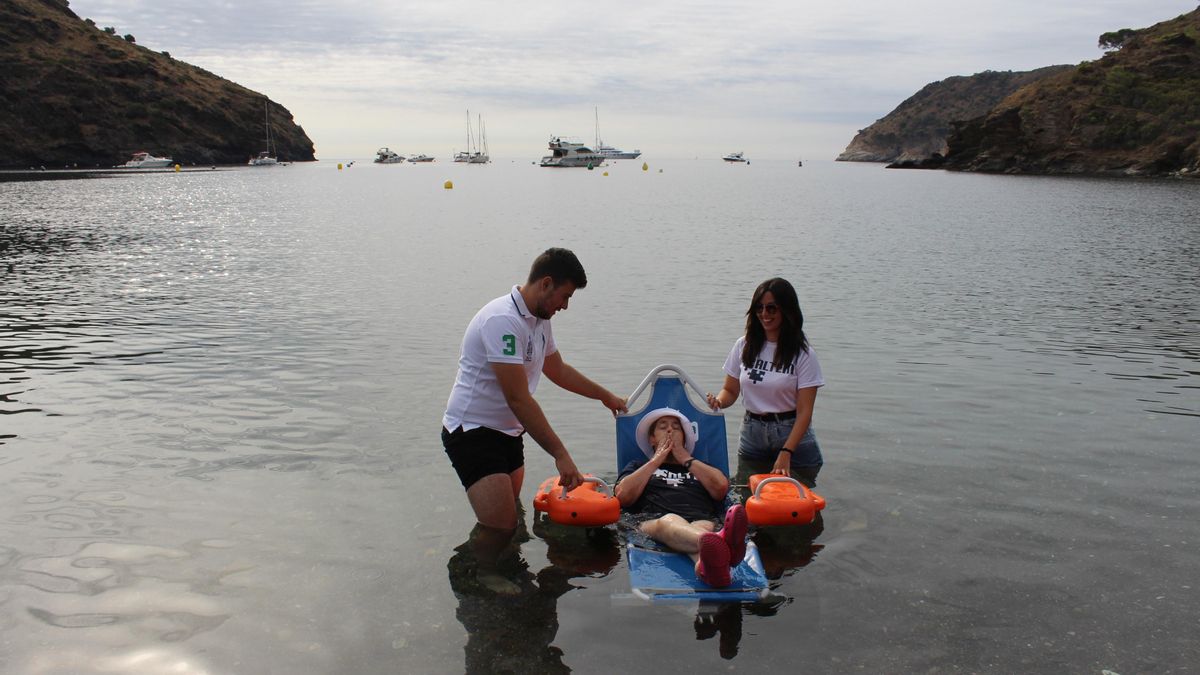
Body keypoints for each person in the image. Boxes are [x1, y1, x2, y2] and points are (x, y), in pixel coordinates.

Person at [441, 247, 627, 588]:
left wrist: (605, 396)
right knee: (501, 525)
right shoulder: (503, 321)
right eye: (565, 296)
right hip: (473, 432)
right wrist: (560, 454)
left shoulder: (539, 321)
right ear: (546, 283)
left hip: (508, 433)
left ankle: (495, 558)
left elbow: (558, 370)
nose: (565, 306)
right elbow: (518, 398)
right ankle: (481, 574)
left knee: (507, 515)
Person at [706, 277, 825, 488]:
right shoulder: (744, 345)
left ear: (786, 310)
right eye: (759, 308)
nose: (764, 314)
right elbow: (730, 390)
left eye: (771, 308)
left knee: (798, 503)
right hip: (752, 434)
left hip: (791, 435)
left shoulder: (803, 354)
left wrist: (787, 451)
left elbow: (805, 412)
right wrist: (719, 401)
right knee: (748, 497)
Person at [614, 407, 748, 588]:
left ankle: (708, 570)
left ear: (684, 438)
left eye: (676, 427)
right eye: (663, 426)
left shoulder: (701, 466)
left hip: (699, 518)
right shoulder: (638, 466)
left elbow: (721, 489)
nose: (670, 430)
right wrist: (656, 460)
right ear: (652, 439)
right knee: (671, 520)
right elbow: (623, 497)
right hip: (654, 522)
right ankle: (725, 543)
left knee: (703, 527)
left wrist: (685, 458)